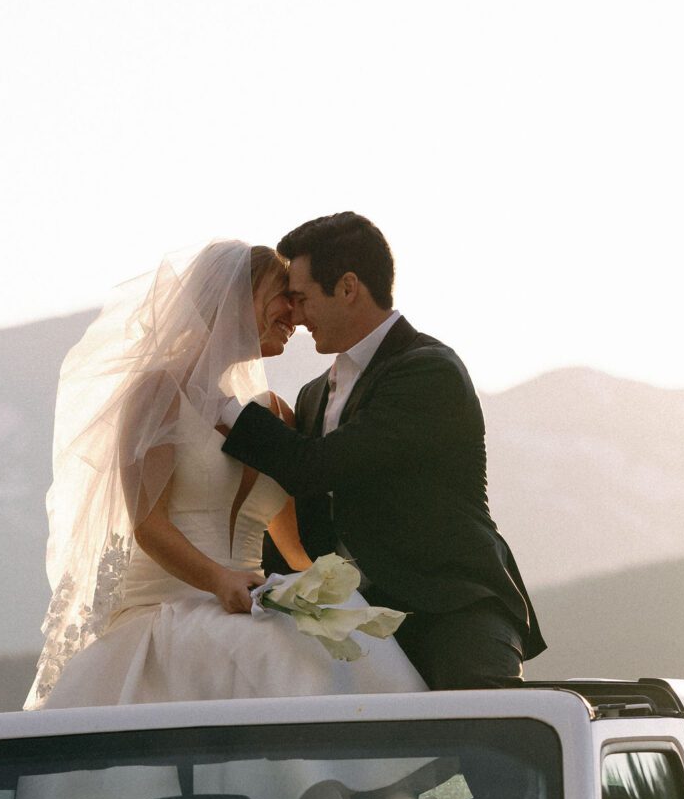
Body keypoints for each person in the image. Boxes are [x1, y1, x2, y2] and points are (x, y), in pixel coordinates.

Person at [23, 241, 438, 799]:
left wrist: (328, 591)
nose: (295, 316)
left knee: (344, 618)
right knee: (263, 649)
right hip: (171, 607)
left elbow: (290, 542)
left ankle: (390, 790)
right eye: (283, 299)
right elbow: (147, 524)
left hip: (242, 594)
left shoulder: (268, 416)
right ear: (238, 303)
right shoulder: (159, 393)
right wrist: (217, 580)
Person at [221, 213, 544, 690]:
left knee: (483, 741)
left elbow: (320, 468)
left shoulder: (428, 372)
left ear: (348, 287)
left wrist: (223, 407)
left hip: (450, 609)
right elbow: (305, 523)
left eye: (303, 297)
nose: (297, 315)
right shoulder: (313, 396)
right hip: (356, 624)